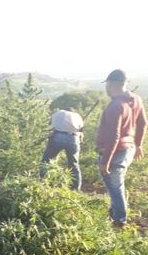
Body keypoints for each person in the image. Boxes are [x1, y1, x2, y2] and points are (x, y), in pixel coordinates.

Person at [96, 69, 146, 228]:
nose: (107, 89)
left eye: (107, 85)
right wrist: (138, 145)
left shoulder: (115, 105)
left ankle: (119, 222)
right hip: (128, 149)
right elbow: (143, 123)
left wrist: (106, 161)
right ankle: (115, 213)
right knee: (115, 185)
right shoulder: (136, 99)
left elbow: (114, 136)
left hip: (116, 152)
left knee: (115, 187)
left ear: (111, 85)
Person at [39, 107, 84, 190]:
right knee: (74, 164)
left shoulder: (58, 113)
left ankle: (42, 184)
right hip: (73, 138)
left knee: (46, 161)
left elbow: (50, 125)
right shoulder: (77, 115)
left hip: (58, 136)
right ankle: (76, 188)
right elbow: (81, 130)